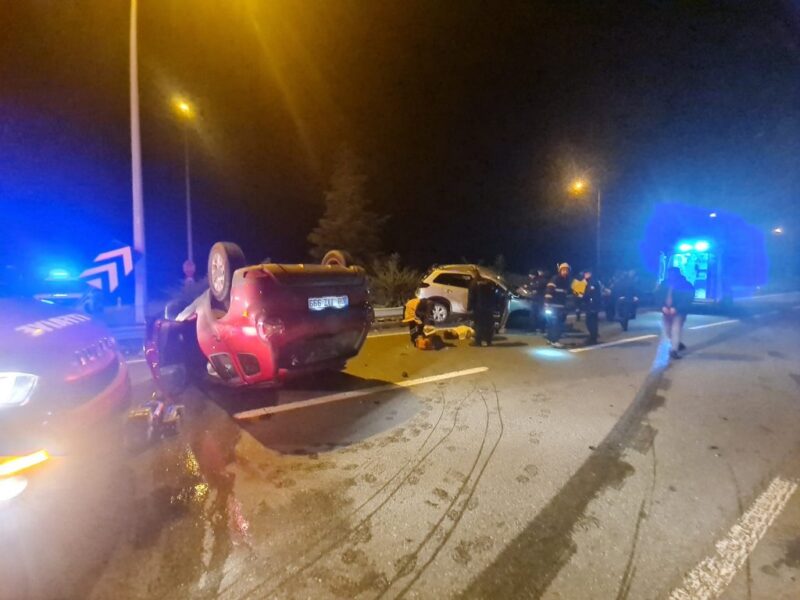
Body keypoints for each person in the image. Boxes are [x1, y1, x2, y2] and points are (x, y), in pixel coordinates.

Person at [655, 267, 694, 359]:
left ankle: (674, 350)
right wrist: (662, 306)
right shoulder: (664, 284)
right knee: (667, 330)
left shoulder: (685, 284)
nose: (671, 276)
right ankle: (675, 344)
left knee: (675, 329)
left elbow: (687, 299)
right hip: (666, 310)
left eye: (673, 274)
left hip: (679, 312)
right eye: (670, 274)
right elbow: (658, 296)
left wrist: (677, 308)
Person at [544, 263, 572, 348]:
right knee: (556, 324)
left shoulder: (566, 280)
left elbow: (566, 294)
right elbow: (549, 291)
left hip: (560, 305)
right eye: (563, 270)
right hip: (554, 305)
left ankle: (550, 339)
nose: (565, 272)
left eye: (566, 270)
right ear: (560, 270)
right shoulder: (556, 278)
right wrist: (547, 303)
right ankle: (555, 340)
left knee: (553, 323)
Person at [470, 274, 497, 346]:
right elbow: (494, 297)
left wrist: (471, 307)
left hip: (480, 308)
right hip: (489, 308)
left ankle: (478, 342)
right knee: (489, 325)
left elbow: (472, 297)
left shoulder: (477, 285)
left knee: (479, 325)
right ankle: (488, 341)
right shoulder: (490, 285)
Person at [581, 269, 602, 345]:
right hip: (591, 304)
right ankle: (593, 337)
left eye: (585, 274)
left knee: (591, 322)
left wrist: (583, 297)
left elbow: (589, 293)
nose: (584, 275)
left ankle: (593, 338)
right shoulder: (589, 281)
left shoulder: (593, 282)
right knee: (591, 321)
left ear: (589, 274)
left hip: (592, 305)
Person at [524, 268, 548, 332]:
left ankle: (542, 328)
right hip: (534, 299)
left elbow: (538, 286)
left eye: (531, 275)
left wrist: (531, 288)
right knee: (532, 314)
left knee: (541, 314)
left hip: (540, 300)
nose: (530, 276)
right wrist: (528, 288)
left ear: (534, 274)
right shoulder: (533, 280)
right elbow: (531, 287)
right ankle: (532, 328)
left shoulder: (541, 280)